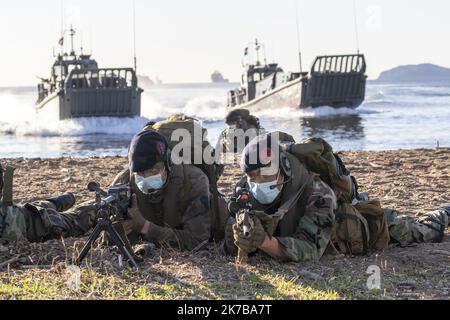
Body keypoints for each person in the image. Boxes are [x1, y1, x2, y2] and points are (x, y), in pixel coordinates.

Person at [225, 133, 450, 262]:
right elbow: (230, 231)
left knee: (419, 232)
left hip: (354, 220)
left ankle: (444, 212)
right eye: (252, 177)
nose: (258, 183)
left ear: (284, 168)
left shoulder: (319, 193)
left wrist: (264, 242)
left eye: (265, 175)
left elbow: (309, 248)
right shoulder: (246, 187)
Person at [112, 130, 213, 251]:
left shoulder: (194, 181)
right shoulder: (124, 182)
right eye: (139, 173)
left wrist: (145, 226)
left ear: (168, 163)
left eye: (153, 171)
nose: (146, 178)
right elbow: (107, 235)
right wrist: (118, 230)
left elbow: (197, 241)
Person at [0, 164, 96, 243]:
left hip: (19, 212)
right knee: (76, 218)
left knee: (58, 204)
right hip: (34, 221)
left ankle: (63, 200)